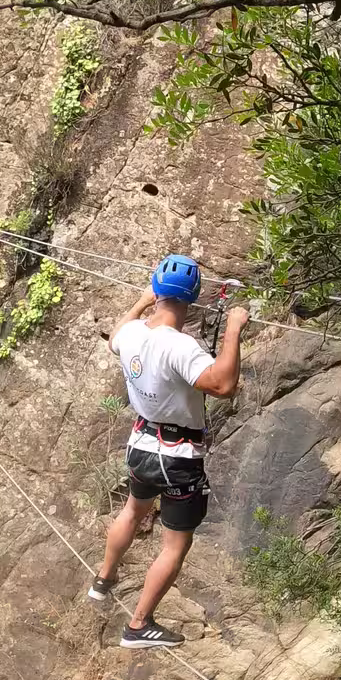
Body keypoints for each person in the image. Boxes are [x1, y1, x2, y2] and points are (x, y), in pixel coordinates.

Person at [88, 254, 249, 647]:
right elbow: (223, 385)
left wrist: (142, 301)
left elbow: (114, 338)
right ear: (192, 299)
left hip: (140, 445)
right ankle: (139, 625)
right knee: (175, 544)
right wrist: (233, 328)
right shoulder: (180, 347)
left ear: (157, 289)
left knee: (132, 509)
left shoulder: (130, 335)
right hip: (178, 458)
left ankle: (103, 580)